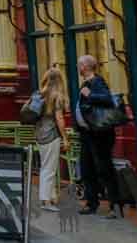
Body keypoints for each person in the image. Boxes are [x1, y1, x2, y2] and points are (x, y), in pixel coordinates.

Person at [75, 54, 121, 218]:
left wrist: (90, 95)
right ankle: (91, 202)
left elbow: (107, 99)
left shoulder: (97, 82)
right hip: (87, 134)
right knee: (88, 169)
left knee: (104, 169)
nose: (78, 67)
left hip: (99, 135)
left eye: (79, 65)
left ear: (86, 67)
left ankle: (114, 206)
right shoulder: (86, 83)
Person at [36, 67, 69, 212]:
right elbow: (59, 118)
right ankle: (45, 201)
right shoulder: (57, 96)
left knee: (46, 166)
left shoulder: (40, 94)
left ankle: (51, 196)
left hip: (40, 134)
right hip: (51, 134)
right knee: (49, 169)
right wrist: (65, 138)